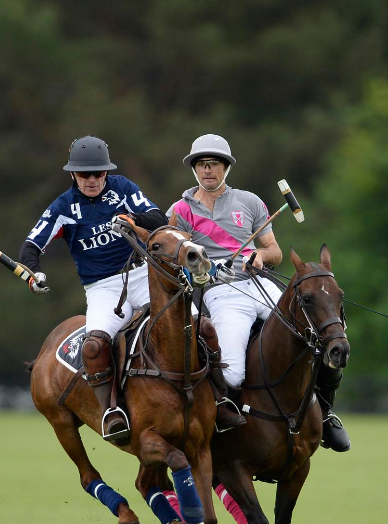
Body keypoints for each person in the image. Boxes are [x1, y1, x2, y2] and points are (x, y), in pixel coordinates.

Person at [17, 135, 243, 445]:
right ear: (73, 175)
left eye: (98, 173)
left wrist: (130, 218)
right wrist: (33, 272)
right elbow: (32, 245)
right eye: (85, 174)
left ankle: (220, 399)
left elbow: (157, 218)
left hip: (142, 275)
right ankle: (112, 412)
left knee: (201, 326)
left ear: (106, 173)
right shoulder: (63, 207)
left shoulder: (122, 188)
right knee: (94, 346)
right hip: (103, 289)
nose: (93, 180)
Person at [167, 134, 351, 452]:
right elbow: (174, 257)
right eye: (201, 165)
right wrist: (199, 268)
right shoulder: (181, 210)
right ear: (194, 169)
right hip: (220, 293)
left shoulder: (250, 202)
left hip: (260, 285)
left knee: (320, 340)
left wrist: (260, 256)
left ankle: (326, 415)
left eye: (214, 164)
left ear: (226, 168)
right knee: (234, 373)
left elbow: (275, 251)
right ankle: (228, 423)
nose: (208, 170)